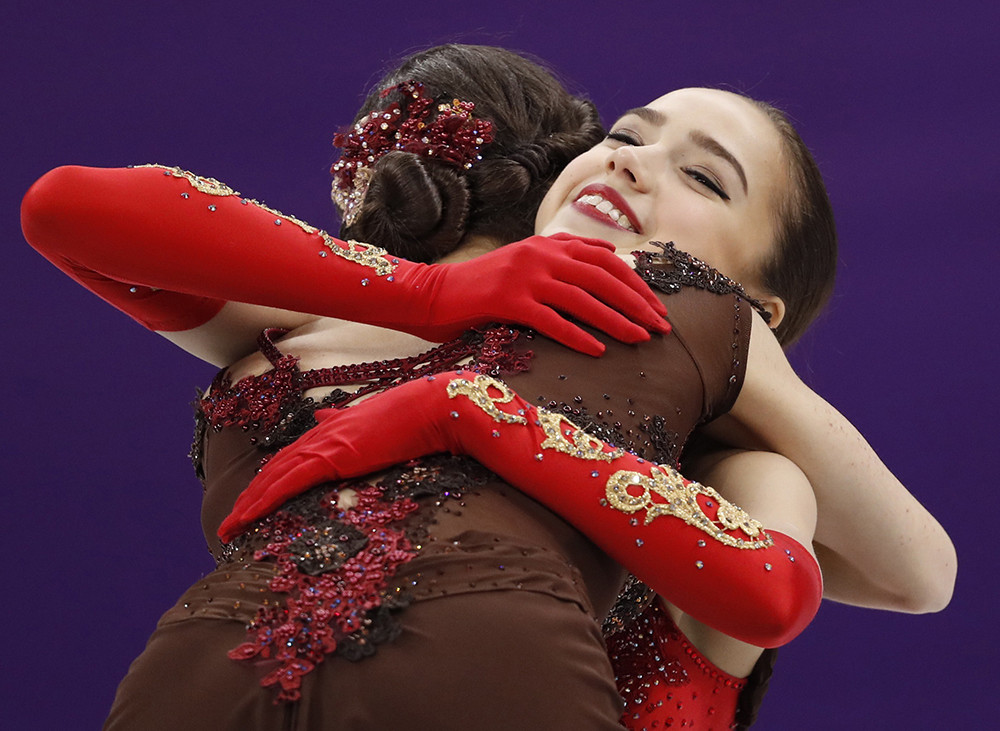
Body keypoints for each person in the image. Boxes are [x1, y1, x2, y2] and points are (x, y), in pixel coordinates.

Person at [21, 44, 954, 730]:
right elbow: (65, 210)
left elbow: (911, 575)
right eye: (628, 133)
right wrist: (429, 290)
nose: (631, 157)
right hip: (208, 665)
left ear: (755, 305)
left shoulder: (732, 439)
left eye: (704, 177)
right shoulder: (333, 321)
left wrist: (470, 412)